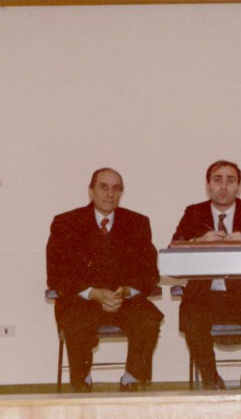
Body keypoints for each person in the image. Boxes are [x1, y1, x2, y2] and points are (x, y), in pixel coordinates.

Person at [46, 168, 164, 392]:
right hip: (83, 300)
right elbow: (55, 275)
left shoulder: (137, 222)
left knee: (149, 320)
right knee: (76, 323)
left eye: (116, 188)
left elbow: (150, 273)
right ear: (91, 191)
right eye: (103, 187)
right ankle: (82, 380)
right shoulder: (66, 222)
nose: (110, 193)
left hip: (124, 300)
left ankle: (132, 378)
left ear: (121, 193)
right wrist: (94, 293)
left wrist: (127, 291)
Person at [171, 160, 241, 390]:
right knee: (193, 318)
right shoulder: (194, 212)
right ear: (208, 185)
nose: (223, 186)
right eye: (217, 180)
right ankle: (211, 379)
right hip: (205, 295)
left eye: (230, 181)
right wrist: (198, 242)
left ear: (238, 187)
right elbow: (172, 253)